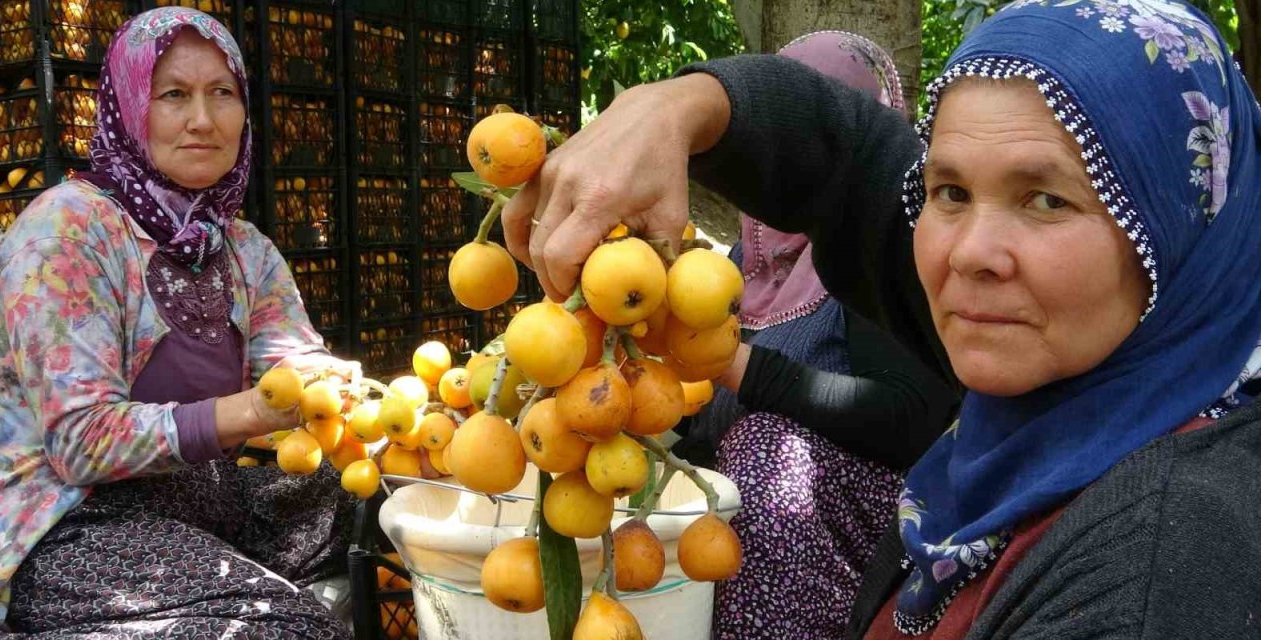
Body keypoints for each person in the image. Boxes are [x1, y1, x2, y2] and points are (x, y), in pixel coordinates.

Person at [504, 0, 1261, 637]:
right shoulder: (1068, 357)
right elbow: (850, 160)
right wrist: (675, 107)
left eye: (1047, 199)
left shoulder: (1160, 573)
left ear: (1179, 230)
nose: (969, 253)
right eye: (950, 191)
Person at [0, 8, 357, 636]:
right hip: (64, 524)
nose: (202, 120)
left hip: (190, 498)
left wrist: (337, 389)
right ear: (130, 107)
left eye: (223, 94)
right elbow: (81, 442)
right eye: (173, 95)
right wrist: (257, 412)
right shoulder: (64, 235)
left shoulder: (240, 245)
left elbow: (290, 359)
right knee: (277, 625)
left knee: (376, 497)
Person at [669, 31, 958, 639]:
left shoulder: (876, 262)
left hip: (853, 563)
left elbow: (913, 415)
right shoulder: (727, 272)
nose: (794, 162)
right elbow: (699, 428)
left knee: (768, 451)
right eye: (777, 141)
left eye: (816, 143)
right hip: (720, 562)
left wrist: (736, 365)